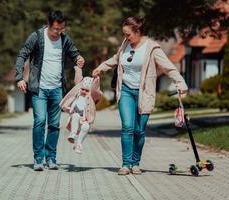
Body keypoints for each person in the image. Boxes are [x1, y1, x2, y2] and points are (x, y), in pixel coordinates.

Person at [92, 16, 188, 175]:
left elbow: (168, 67)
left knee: (139, 130)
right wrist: (101, 68)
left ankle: (135, 163)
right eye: (124, 34)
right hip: (126, 91)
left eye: (128, 34)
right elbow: (116, 59)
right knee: (127, 128)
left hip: (144, 93)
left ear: (138, 32)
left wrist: (180, 83)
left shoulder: (152, 48)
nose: (126, 37)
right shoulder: (125, 45)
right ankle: (125, 164)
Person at [15, 10, 85, 171]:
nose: (58, 33)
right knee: (40, 121)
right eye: (56, 29)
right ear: (48, 25)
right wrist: (19, 77)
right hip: (39, 89)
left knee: (54, 124)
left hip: (57, 89)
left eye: (62, 29)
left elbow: (75, 53)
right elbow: (22, 55)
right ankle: (38, 159)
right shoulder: (37, 37)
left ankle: (51, 158)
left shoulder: (65, 39)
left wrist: (78, 58)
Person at [60, 66, 102, 154]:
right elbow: (78, 80)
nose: (83, 91)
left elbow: (96, 90)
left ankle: (78, 144)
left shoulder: (91, 97)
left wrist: (96, 78)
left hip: (85, 118)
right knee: (75, 115)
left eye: (86, 90)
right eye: (82, 89)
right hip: (75, 117)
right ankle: (73, 134)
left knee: (86, 127)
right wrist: (78, 69)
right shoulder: (77, 94)